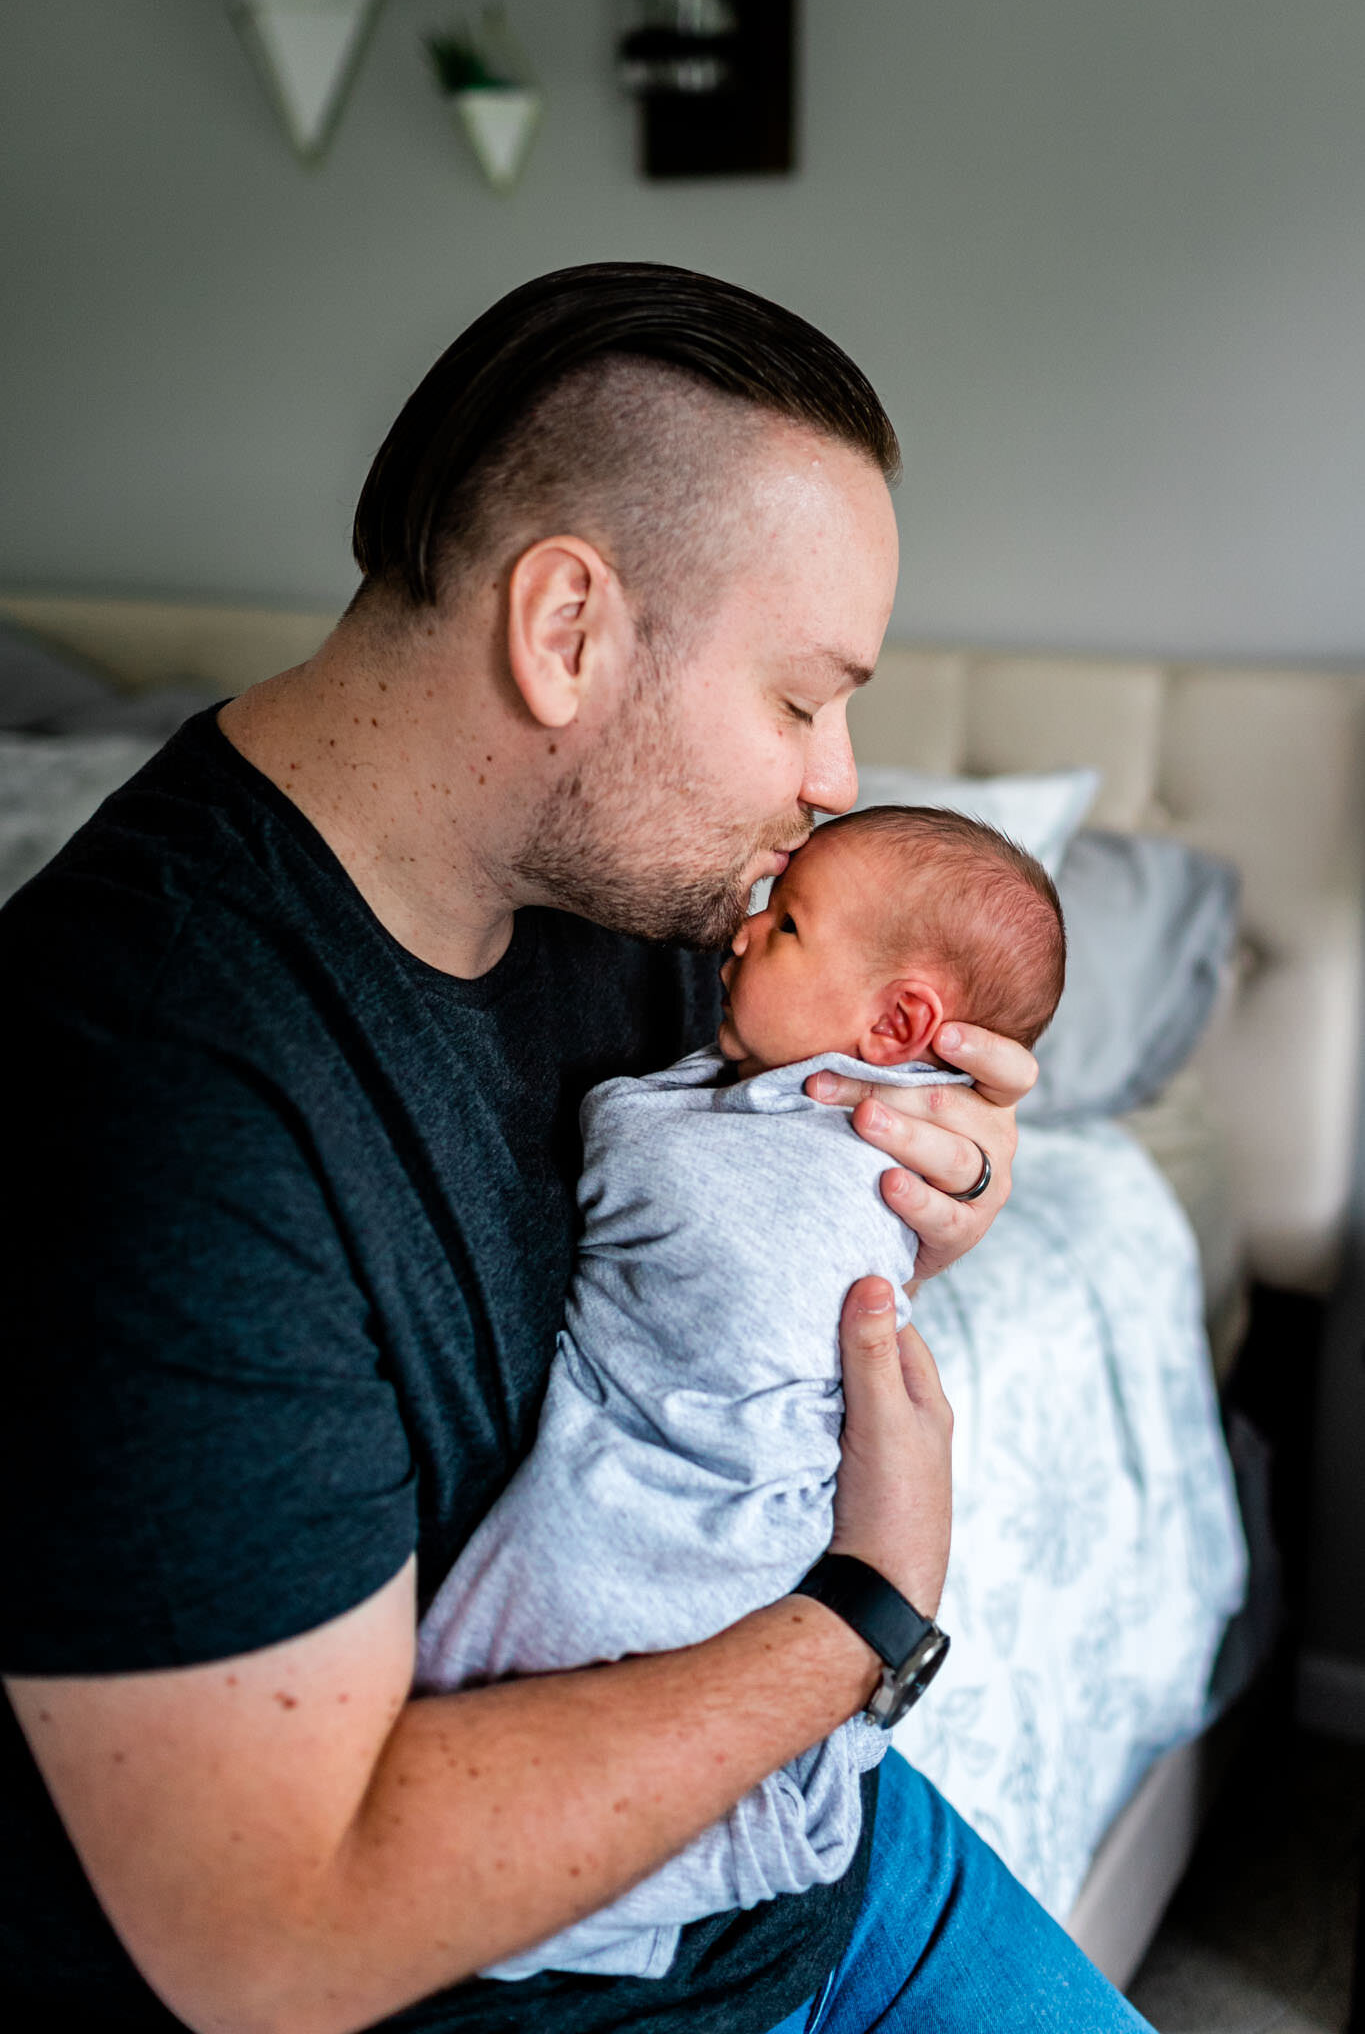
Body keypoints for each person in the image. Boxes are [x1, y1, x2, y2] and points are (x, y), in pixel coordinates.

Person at [0, 262, 1151, 2033]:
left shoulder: (642, 896)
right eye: (799, 698)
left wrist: (937, 1177)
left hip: (810, 1866)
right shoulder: (145, 1101)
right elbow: (276, 1938)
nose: (838, 778)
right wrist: (865, 1609)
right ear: (567, 632)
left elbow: (804, 1146)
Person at [416, 806, 1067, 1983]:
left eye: (787, 923)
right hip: (752, 1693)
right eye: (796, 698)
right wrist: (880, 1600)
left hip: (840, 1761)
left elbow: (688, 1183)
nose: (742, 932)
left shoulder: (854, 1112)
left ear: (903, 1023)